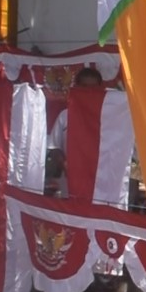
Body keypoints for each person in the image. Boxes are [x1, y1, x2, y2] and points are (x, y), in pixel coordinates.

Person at [45, 66, 104, 197]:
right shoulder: (65, 116)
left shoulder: (108, 116)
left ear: (100, 89)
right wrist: (65, 164)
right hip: (71, 182)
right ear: (77, 88)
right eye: (85, 86)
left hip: (101, 184)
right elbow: (54, 147)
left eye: (93, 87)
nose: (89, 91)